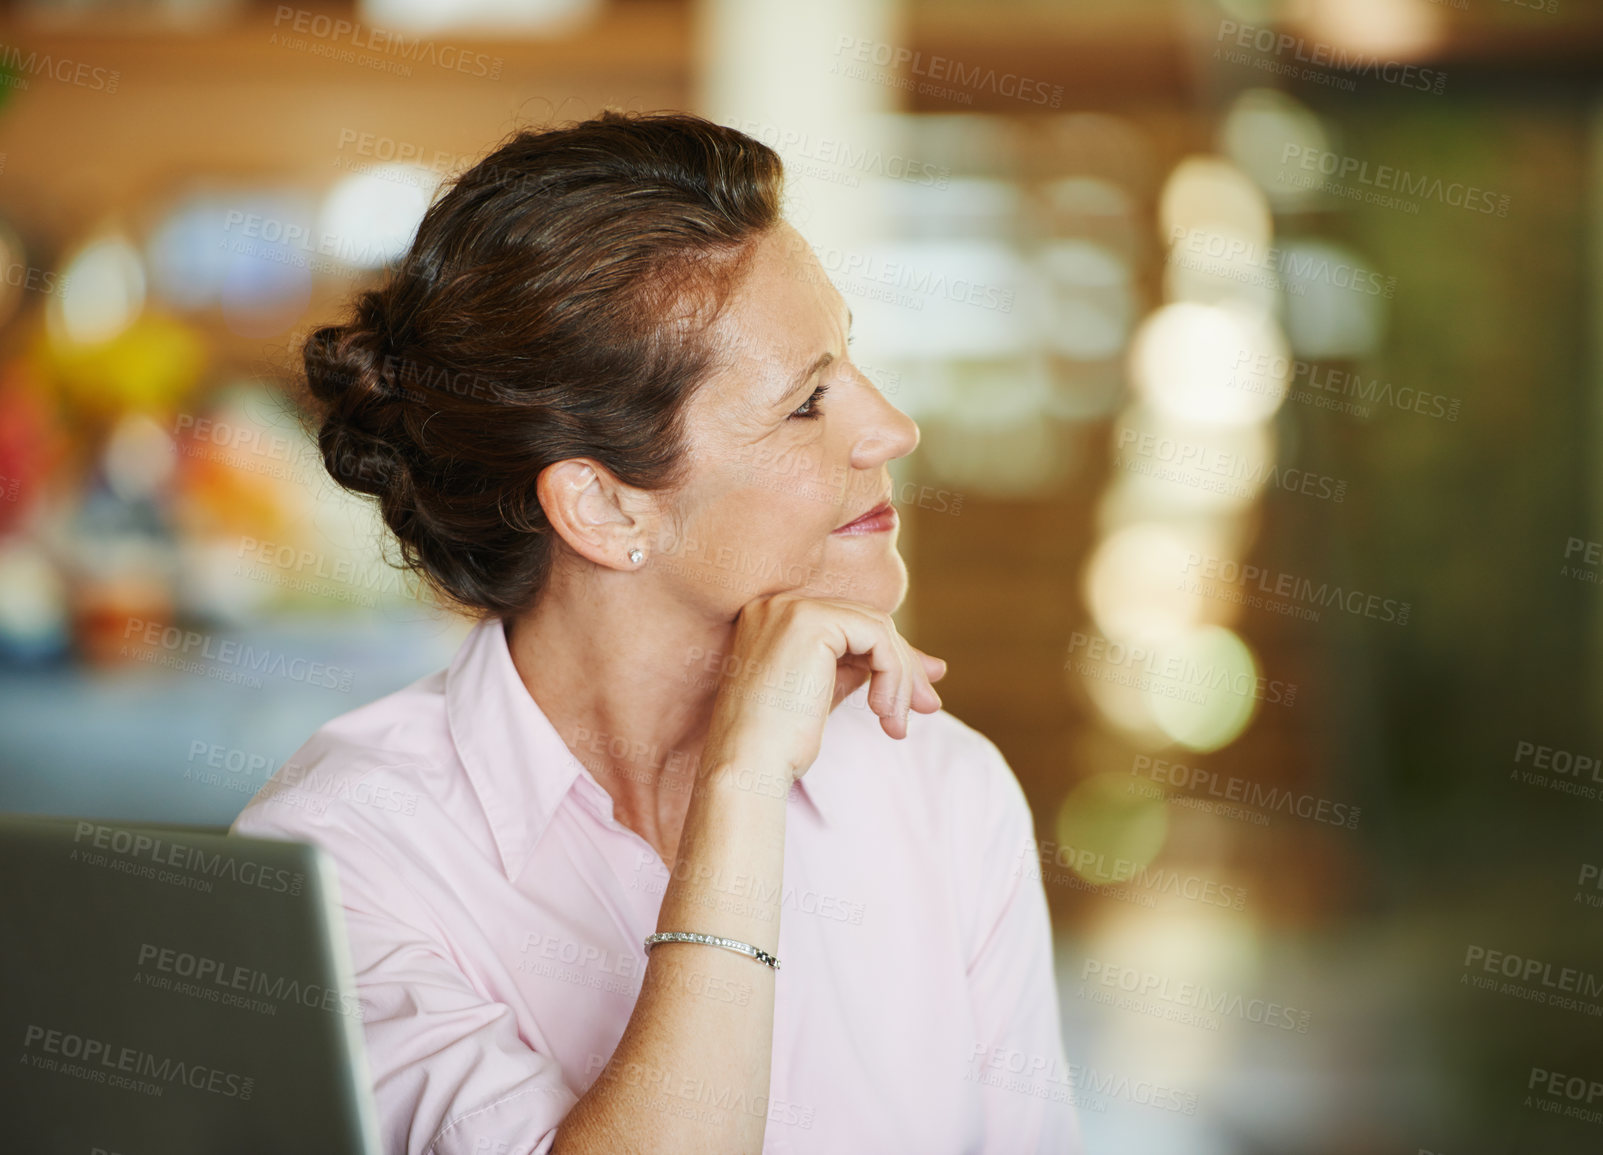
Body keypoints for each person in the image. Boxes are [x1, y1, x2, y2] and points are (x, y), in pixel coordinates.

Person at [233, 110, 1080, 1155]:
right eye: (808, 402)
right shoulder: (342, 859)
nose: (892, 428)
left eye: (850, 360)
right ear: (605, 508)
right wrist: (741, 786)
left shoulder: (940, 789)